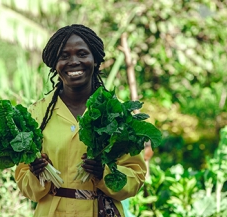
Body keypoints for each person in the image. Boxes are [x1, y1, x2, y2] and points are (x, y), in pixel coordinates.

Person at [15, 24, 147, 217]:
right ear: (55, 64)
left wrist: (104, 173)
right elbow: (24, 184)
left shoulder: (115, 112)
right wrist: (36, 174)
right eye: (64, 56)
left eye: (82, 54)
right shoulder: (37, 113)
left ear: (95, 60)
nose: (73, 61)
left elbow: (135, 176)